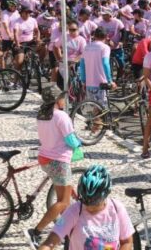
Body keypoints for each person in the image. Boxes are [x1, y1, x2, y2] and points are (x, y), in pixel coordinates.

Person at [26, 85, 83, 247]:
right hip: (59, 161)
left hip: (45, 157)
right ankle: (36, 232)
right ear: (57, 100)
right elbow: (71, 140)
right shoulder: (61, 116)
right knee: (63, 202)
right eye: (62, 97)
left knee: (66, 189)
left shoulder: (42, 114)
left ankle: (69, 228)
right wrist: (80, 144)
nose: (64, 99)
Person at [38, 165, 134, 250]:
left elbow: (127, 241)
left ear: (106, 194)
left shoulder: (117, 209)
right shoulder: (74, 212)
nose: (89, 207)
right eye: (85, 202)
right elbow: (51, 241)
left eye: (95, 203)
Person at [78, 27, 114, 107]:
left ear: (94, 36)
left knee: (95, 109)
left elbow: (82, 65)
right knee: (101, 111)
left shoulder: (86, 47)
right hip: (101, 83)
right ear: (105, 36)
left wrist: (83, 80)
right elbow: (105, 64)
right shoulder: (105, 47)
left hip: (89, 83)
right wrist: (110, 80)